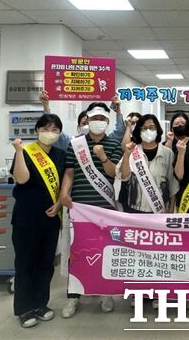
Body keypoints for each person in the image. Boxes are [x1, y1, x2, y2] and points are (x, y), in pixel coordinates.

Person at [58, 102, 124, 318]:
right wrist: (64, 193)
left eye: (102, 119)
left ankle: (105, 293)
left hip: (104, 209)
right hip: (79, 208)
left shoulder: (114, 144)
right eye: (94, 118)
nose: (98, 122)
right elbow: (69, 171)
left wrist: (103, 156)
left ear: (108, 121)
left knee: (104, 251)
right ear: (87, 119)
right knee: (76, 253)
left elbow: (114, 173)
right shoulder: (75, 144)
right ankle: (73, 296)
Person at [10, 114, 65, 328]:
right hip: (26, 218)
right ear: (37, 130)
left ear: (59, 133)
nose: (50, 133)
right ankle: (24, 309)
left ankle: (41, 303)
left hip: (51, 219)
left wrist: (59, 204)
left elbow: (63, 183)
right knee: (25, 263)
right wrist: (18, 151)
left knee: (45, 263)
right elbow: (21, 179)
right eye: (45, 129)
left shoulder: (60, 155)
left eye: (54, 130)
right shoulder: (26, 152)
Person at [117, 114, 178, 214]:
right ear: (139, 131)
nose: (148, 131)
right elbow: (124, 177)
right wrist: (127, 155)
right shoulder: (132, 150)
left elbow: (173, 184)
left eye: (151, 127)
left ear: (157, 130)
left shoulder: (167, 153)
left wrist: (171, 207)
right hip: (134, 209)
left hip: (159, 209)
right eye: (144, 128)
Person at [40, 91, 126, 151]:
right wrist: (46, 107)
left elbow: (120, 132)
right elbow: (54, 132)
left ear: (107, 122)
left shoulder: (110, 142)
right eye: (84, 123)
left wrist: (118, 111)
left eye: (101, 119)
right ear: (79, 125)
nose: (87, 126)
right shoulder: (72, 142)